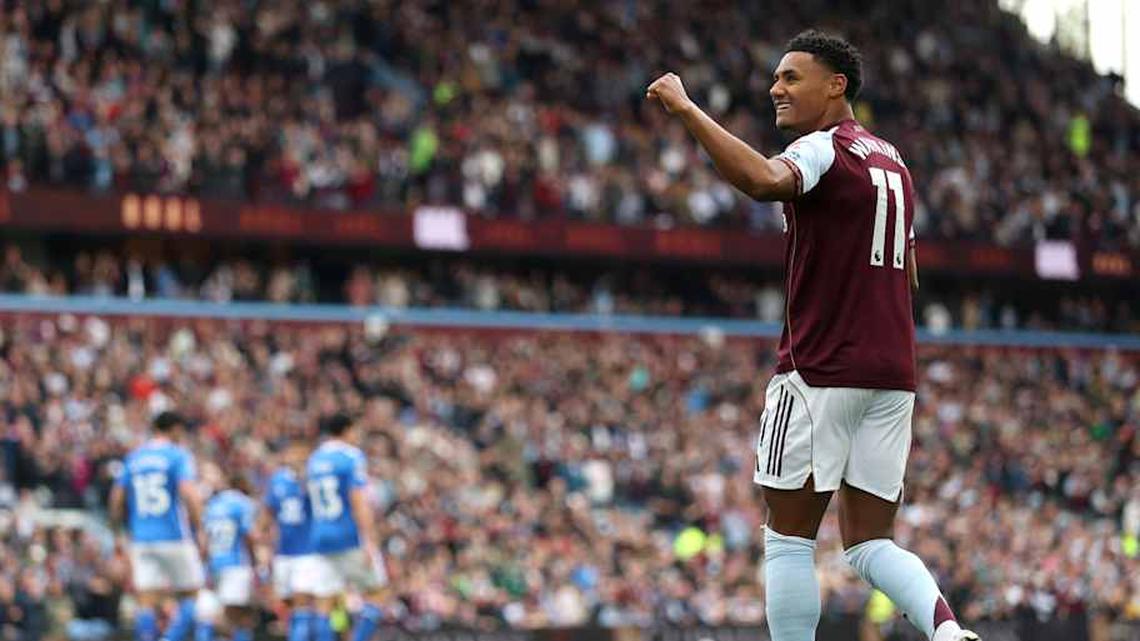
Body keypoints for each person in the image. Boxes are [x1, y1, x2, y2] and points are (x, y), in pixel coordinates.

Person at [646, 29, 979, 641]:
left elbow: (766, 181)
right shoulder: (895, 161)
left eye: (790, 77)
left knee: (788, 538)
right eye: (775, 78)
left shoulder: (824, 148)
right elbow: (908, 274)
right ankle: (950, 634)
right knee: (869, 542)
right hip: (891, 377)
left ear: (836, 85)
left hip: (818, 370)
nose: (776, 88)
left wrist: (689, 111)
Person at [109, 411, 205, 641]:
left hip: (141, 539)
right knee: (192, 597)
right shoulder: (177, 455)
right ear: (174, 429)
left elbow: (116, 499)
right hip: (173, 536)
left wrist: (118, 534)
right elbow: (188, 493)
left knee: (146, 601)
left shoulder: (134, 458)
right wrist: (200, 527)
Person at [306, 414, 388, 641]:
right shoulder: (351, 457)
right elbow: (358, 500)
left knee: (325, 603)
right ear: (348, 430)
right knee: (377, 594)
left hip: (320, 536)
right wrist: (369, 539)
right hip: (348, 534)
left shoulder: (314, 459)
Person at [261, 439, 317, 641]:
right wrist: (263, 543)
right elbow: (267, 513)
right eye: (293, 453)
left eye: (301, 455)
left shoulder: (312, 481)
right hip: (283, 552)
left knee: (303, 603)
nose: (296, 458)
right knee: (288, 605)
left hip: (306, 553)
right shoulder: (277, 480)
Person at [197, 472, 258, 641]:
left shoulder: (211, 505)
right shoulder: (242, 503)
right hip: (236, 563)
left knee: (208, 618)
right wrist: (255, 563)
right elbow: (250, 536)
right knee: (241, 617)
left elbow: (203, 541)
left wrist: (204, 565)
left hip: (213, 564)